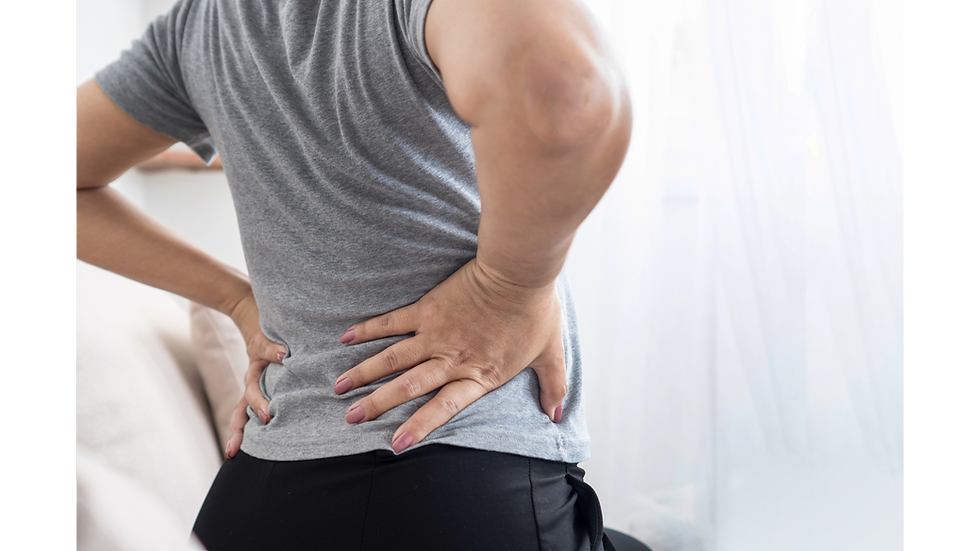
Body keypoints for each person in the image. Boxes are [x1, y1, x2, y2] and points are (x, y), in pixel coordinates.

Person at [73, 0, 631, 549]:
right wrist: (509, 290)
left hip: (257, 501)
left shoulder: (199, 23)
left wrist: (237, 299)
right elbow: (569, 93)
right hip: (459, 479)